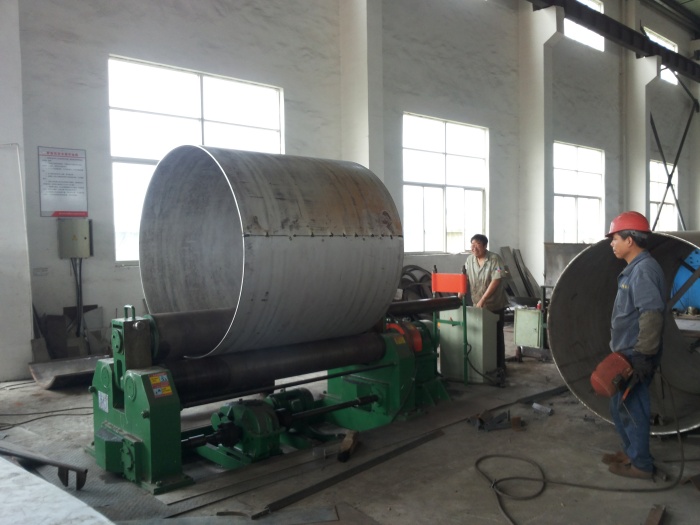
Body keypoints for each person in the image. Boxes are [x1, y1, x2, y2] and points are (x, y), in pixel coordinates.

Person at [604, 211, 665, 480]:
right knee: (619, 405)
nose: (612, 243)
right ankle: (631, 452)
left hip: (634, 354)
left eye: (615, 238)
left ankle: (641, 465)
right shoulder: (634, 268)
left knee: (632, 407)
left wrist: (643, 356)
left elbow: (651, 314)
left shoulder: (643, 270)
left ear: (630, 240)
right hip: (625, 352)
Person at [465, 234, 510, 373]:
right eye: (472, 244)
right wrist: (459, 293)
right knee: (480, 335)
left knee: (496, 335)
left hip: (494, 304)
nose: (474, 248)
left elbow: (497, 280)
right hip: (477, 304)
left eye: (478, 245)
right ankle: (484, 365)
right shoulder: (469, 260)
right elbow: (465, 277)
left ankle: (500, 366)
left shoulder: (495, 259)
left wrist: (483, 300)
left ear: (485, 246)